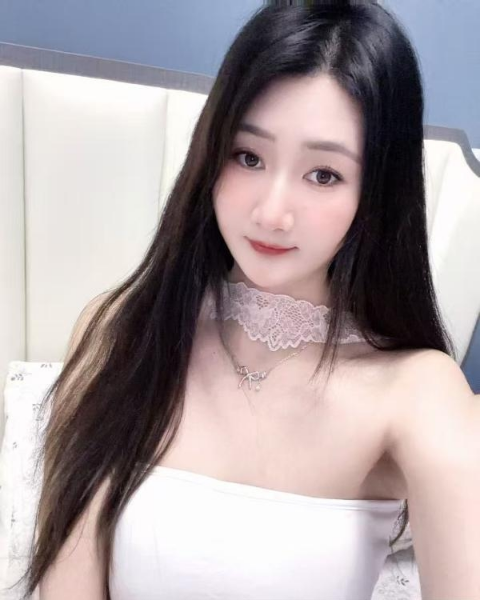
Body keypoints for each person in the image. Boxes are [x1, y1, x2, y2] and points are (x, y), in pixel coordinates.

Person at [11, 2, 479, 600]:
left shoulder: (418, 395)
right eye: (248, 157)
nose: (272, 212)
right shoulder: (117, 333)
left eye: (324, 175)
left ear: (376, 193)